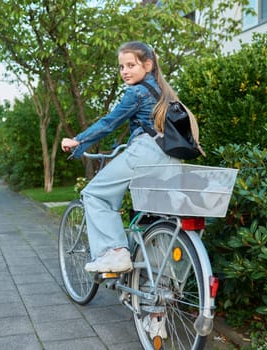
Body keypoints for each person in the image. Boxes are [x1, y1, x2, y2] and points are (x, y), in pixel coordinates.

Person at [61, 41, 183, 273]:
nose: (125, 71)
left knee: (95, 195)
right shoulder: (165, 93)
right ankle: (158, 296)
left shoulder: (136, 92)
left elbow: (109, 123)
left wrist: (78, 141)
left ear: (147, 65)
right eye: (121, 67)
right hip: (170, 158)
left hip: (146, 153)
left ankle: (115, 252)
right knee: (153, 219)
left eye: (130, 65)